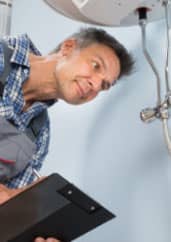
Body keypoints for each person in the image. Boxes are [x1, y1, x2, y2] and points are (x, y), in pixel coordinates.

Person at [0, 27, 134, 241]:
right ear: (68, 48)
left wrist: (23, 219)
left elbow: (6, 216)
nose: (96, 85)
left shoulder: (39, 135)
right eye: (96, 65)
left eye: (105, 86)